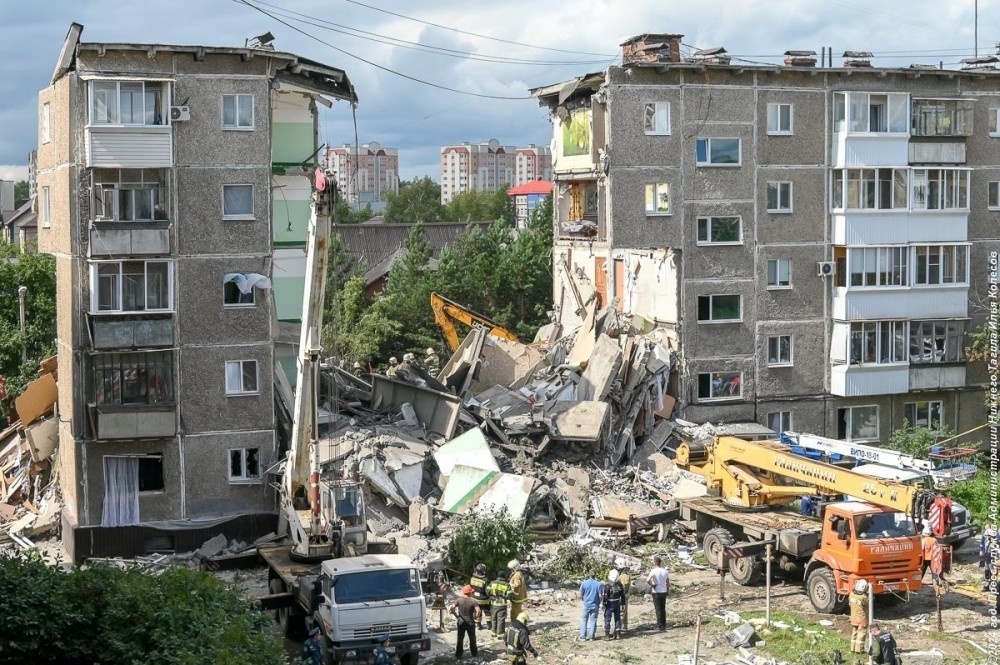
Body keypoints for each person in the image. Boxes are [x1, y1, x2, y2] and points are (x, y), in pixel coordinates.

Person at [451, 585, 482, 660]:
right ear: (470, 593)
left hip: (461, 622)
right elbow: (478, 611)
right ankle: (474, 653)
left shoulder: (459, 600)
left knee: (460, 639)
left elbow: (452, 607)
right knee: (472, 639)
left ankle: (458, 654)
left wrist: (456, 616)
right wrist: (475, 617)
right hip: (470, 623)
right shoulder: (473, 601)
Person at [646, 556, 670, 632]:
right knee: (663, 609)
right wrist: (667, 591)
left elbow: (648, 580)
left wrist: (652, 585)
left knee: (658, 609)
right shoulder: (665, 571)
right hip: (663, 591)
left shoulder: (653, 571)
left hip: (656, 592)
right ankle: (664, 624)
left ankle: (660, 626)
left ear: (655, 562)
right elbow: (667, 582)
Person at [848, 579, 870, 658]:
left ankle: (852, 648)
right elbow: (868, 604)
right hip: (862, 618)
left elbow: (850, 604)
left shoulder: (851, 594)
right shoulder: (863, 597)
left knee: (854, 632)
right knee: (861, 634)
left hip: (853, 617)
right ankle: (859, 650)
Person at [487, 570, 513, 636]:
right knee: (501, 619)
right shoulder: (507, 584)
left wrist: (493, 594)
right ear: (504, 576)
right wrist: (503, 595)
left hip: (493, 604)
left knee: (493, 618)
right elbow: (509, 596)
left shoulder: (492, 583)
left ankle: (493, 632)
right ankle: (500, 634)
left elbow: (487, 591)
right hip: (502, 605)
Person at [578, 569, 602, 641]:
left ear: (589, 574)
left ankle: (583, 636)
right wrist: (600, 602)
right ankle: (591, 636)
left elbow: (580, 594)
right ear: (595, 575)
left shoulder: (584, 583)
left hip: (586, 604)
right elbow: (600, 596)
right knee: (593, 620)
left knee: (584, 620)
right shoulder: (598, 584)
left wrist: (583, 600)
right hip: (595, 604)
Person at [601, 568, 625, 640]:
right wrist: (623, 604)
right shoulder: (620, 585)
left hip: (609, 603)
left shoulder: (607, 586)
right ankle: (618, 634)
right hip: (617, 603)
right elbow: (622, 595)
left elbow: (605, 596)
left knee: (607, 619)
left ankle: (607, 635)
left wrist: (603, 604)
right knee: (617, 618)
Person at [470, 563, 491, 630]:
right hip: (484, 599)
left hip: (474, 598)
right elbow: (487, 591)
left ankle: (479, 625)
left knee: (477, 611)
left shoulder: (472, 578)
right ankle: (489, 625)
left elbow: (470, 588)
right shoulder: (485, 580)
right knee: (487, 611)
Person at [616, 559, 632, 632]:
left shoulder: (624, 576)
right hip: (624, 596)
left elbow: (625, 588)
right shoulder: (624, 575)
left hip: (622, 596)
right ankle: (624, 626)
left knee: (621, 611)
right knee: (624, 611)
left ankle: (619, 627)